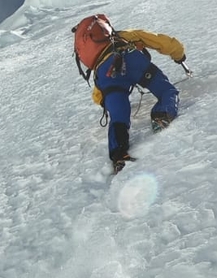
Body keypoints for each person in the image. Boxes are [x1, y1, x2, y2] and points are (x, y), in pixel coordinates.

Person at [71, 13, 190, 172]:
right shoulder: (124, 36)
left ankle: (119, 155)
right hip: (133, 60)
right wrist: (179, 54)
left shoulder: (97, 63)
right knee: (166, 90)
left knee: (119, 117)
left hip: (108, 76)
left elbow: (99, 94)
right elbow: (159, 40)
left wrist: (107, 102)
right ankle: (162, 114)